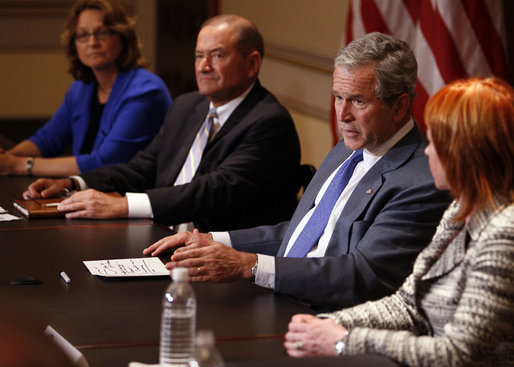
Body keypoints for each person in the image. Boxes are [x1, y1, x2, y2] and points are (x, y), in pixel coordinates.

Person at [143, 32, 452, 310]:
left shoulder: (421, 181)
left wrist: (247, 265)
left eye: (357, 101)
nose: (342, 115)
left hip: (330, 322)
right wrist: (213, 240)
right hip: (283, 299)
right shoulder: (348, 148)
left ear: (399, 107)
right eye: (337, 98)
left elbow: (362, 276)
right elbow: (301, 234)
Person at [284, 77, 514, 366]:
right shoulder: (458, 212)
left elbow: (458, 353)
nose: (427, 150)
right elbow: (407, 305)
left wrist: (345, 340)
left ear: (468, 151)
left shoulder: (504, 233)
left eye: (437, 141)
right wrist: (326, 324)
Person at [23, 15, 301, 232]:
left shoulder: (269, 123)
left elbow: (211, 191)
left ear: (252, 64)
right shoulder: (187, 106)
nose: (203, 67)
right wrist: (76, 183)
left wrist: (123, 205)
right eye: (198, 56)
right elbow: (143, 168)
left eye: (217, 56)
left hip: (219, 260)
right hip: (157, 236)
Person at [0, 0, 171, 177]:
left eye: (102, 33)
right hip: (90, 193)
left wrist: (19, 165)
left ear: (123, 36)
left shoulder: (146, 92)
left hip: (132, 198)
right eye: (82, 35)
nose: (92, 42)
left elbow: (104, 163)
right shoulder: (82, 88)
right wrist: (8, 159)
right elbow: (48, 139)